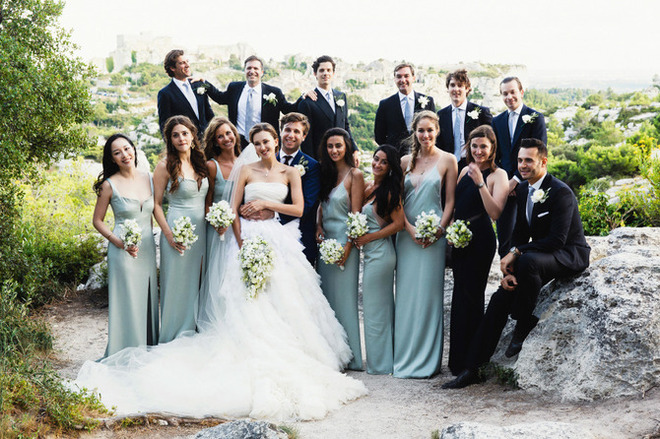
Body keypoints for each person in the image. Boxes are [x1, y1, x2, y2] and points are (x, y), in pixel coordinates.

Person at [75, 123, 367, 421]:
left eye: (267, 142)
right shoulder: (245, 170)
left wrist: (267, 204)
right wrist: (241, 244)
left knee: (285, 295)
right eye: (257, 143)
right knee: (244, 301)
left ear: (276, 142)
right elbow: (233, 207)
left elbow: (299, 208)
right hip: (246, 238)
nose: (263, 147)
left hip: (277, 238)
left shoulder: (290, 172)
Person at [442, 138, 590, 389]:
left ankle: (523, 323)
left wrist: (517, 252)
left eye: (529, 160)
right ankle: (472, 368)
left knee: (528, 260)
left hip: (568, 255)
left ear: (543, 162)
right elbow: (520, 232)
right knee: (499, 299)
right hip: (539, 258)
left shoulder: (561, 192)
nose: (522, 165)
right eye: (520, 160)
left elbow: (557, 240)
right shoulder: (521, 190)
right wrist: (509, 266)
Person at [394, 110, 457, 378]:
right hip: (406, 236)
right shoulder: (404, 161)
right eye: (421, 130)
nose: (425, 135)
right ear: (415, 132)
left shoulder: (448, 160)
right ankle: (404, 357)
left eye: (430, 130)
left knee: (430, 298)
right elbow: (397, 200)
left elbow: (450, 201)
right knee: (406, 296)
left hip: (434, 238)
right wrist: (408, 228)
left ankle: (428, 361)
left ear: (437, 131)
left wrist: (439, 230)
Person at [447, 125, 508, 376]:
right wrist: (451, 231)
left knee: (473, 297)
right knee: (459, 296)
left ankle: (472, 363)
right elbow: (456, 206)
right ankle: (457, 362)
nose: (478, 151)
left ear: (492, 148)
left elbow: (495, 212)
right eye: (474, 146)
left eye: (483, 146)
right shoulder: (463, 170)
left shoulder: (498, 175)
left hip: (481, 240)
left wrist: (481, 183)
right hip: (460, 239)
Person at [92, 134, 158, 357]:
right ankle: (125, 352)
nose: (124, 155)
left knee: (146, 298)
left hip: (147, 249)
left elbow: (154, 213)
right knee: (128, 300)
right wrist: (118, 242)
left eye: (127, 148)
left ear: (134, 149)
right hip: (123, 251)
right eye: (117, 152)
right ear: (112, 159)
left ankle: (147, 348)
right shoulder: (109, 185)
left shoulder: (150, 178)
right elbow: (97, 221)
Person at [153, 116, 209, 343]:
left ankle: (195, 330)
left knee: (199, 282)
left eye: (185, 133)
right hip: (177, 231)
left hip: (202, 231)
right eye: (175, 135)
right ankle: (174, 334)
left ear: (193, 135)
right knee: (178, 284)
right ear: (170, 140)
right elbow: (156, 204)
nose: (181, 138)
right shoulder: (164, 166)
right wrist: (168, 235)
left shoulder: (201, 162)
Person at [316, 127, 365, 371]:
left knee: (345, 300)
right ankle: (331, 355)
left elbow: (355, 215)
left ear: (346, 147)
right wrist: (317, 226)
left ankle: (352, 356)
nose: (334, 150)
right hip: (325, 244)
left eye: (338, 146)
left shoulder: (355, 175)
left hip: (346, 244)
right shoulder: (324, 173)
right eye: (330, 146)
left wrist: (347, 247)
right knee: (326, 299)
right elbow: (321, 206)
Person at [353, 145, 404, 374]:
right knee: (374, 308)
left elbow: (399, 224)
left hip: (382, 254)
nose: (377, 164)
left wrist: (369, 237)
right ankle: (381, 359)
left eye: (384, 162)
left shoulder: (389, 191)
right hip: (371, 254)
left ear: (390, 167)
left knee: (376, 310)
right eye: (376, 159)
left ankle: (381, 364)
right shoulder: (368, 187)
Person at [492, 76, 547, 258]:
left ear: (521, 92)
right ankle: (506, 271)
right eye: (505, 93)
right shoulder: (497, 121)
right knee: (505, 236)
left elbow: (538, 154)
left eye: (513, 92)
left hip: (530, 185)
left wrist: (515, 180)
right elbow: (496, 155)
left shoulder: (536, 118)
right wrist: (504, 183)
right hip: (505, 188)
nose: (509, 97)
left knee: (531, 234)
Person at [198, 116, 240, 322]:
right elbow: (207, 201)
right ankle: (217, 320)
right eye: (220, 136)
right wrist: (216, 223)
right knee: (219, 276)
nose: (226, 139)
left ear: (235, 134)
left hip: (240, 228)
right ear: (215, 142)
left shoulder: (246, 163)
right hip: (219, 230)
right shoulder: (212, 166)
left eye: (228, 133)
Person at [206, 55, 298, 146]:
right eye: (249, 68)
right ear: (245, 71)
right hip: (238, 142)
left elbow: (288, 109)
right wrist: (204, 84)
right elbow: (219, 98)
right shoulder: (234, 88)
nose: (252, 71)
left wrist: (303, 98)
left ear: (262, 72)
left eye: (256, 68)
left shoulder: (274, 92)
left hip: (265, 143)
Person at [277, 112, 321, 265]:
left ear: (304, 136)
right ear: (280, 131)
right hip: (268, 232)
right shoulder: (268, 161)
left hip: (300, 236)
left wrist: (272, 215)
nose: (291, 135)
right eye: (287, 130)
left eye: (297, 131)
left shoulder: (312, 166)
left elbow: (307, 204)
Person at [299, 55, 359, 164]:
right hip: (321, 159)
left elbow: (346, 125)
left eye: (328, 70)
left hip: (342, 157)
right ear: (315, 74)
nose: (325, 73)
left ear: (333, 73)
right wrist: (312, 164)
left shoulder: (341, 96)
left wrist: (354, 150)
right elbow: (307, 139)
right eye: (321, 70)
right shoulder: (307, 102)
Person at [374, 63, 436, 157]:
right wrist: (391, 153)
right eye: (399, 77)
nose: (403, 80)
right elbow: (379, 136)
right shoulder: (385, 105)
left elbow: (434, 130)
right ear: (394, 79)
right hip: (395, 158)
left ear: (413, 78)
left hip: (422, 156)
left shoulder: (428, 101)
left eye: (406, 76)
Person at [436, 69, 492, 171]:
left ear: (467, 89)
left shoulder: (481, 112)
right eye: (452, 85)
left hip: (475, 165)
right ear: (448, 89)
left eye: (460, 85)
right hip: (448, 166)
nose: (456, 89)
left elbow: (492, 141)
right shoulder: (441, 115)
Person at [157, 50, 214, 137]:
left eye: (187, 61)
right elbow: (165, 126)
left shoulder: (198, 84)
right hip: (187, 142)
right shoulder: (165, 94)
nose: (187, 65)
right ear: (172, 68)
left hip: (208, 139)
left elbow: (209, 113)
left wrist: (205, 82)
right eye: (182, 63)